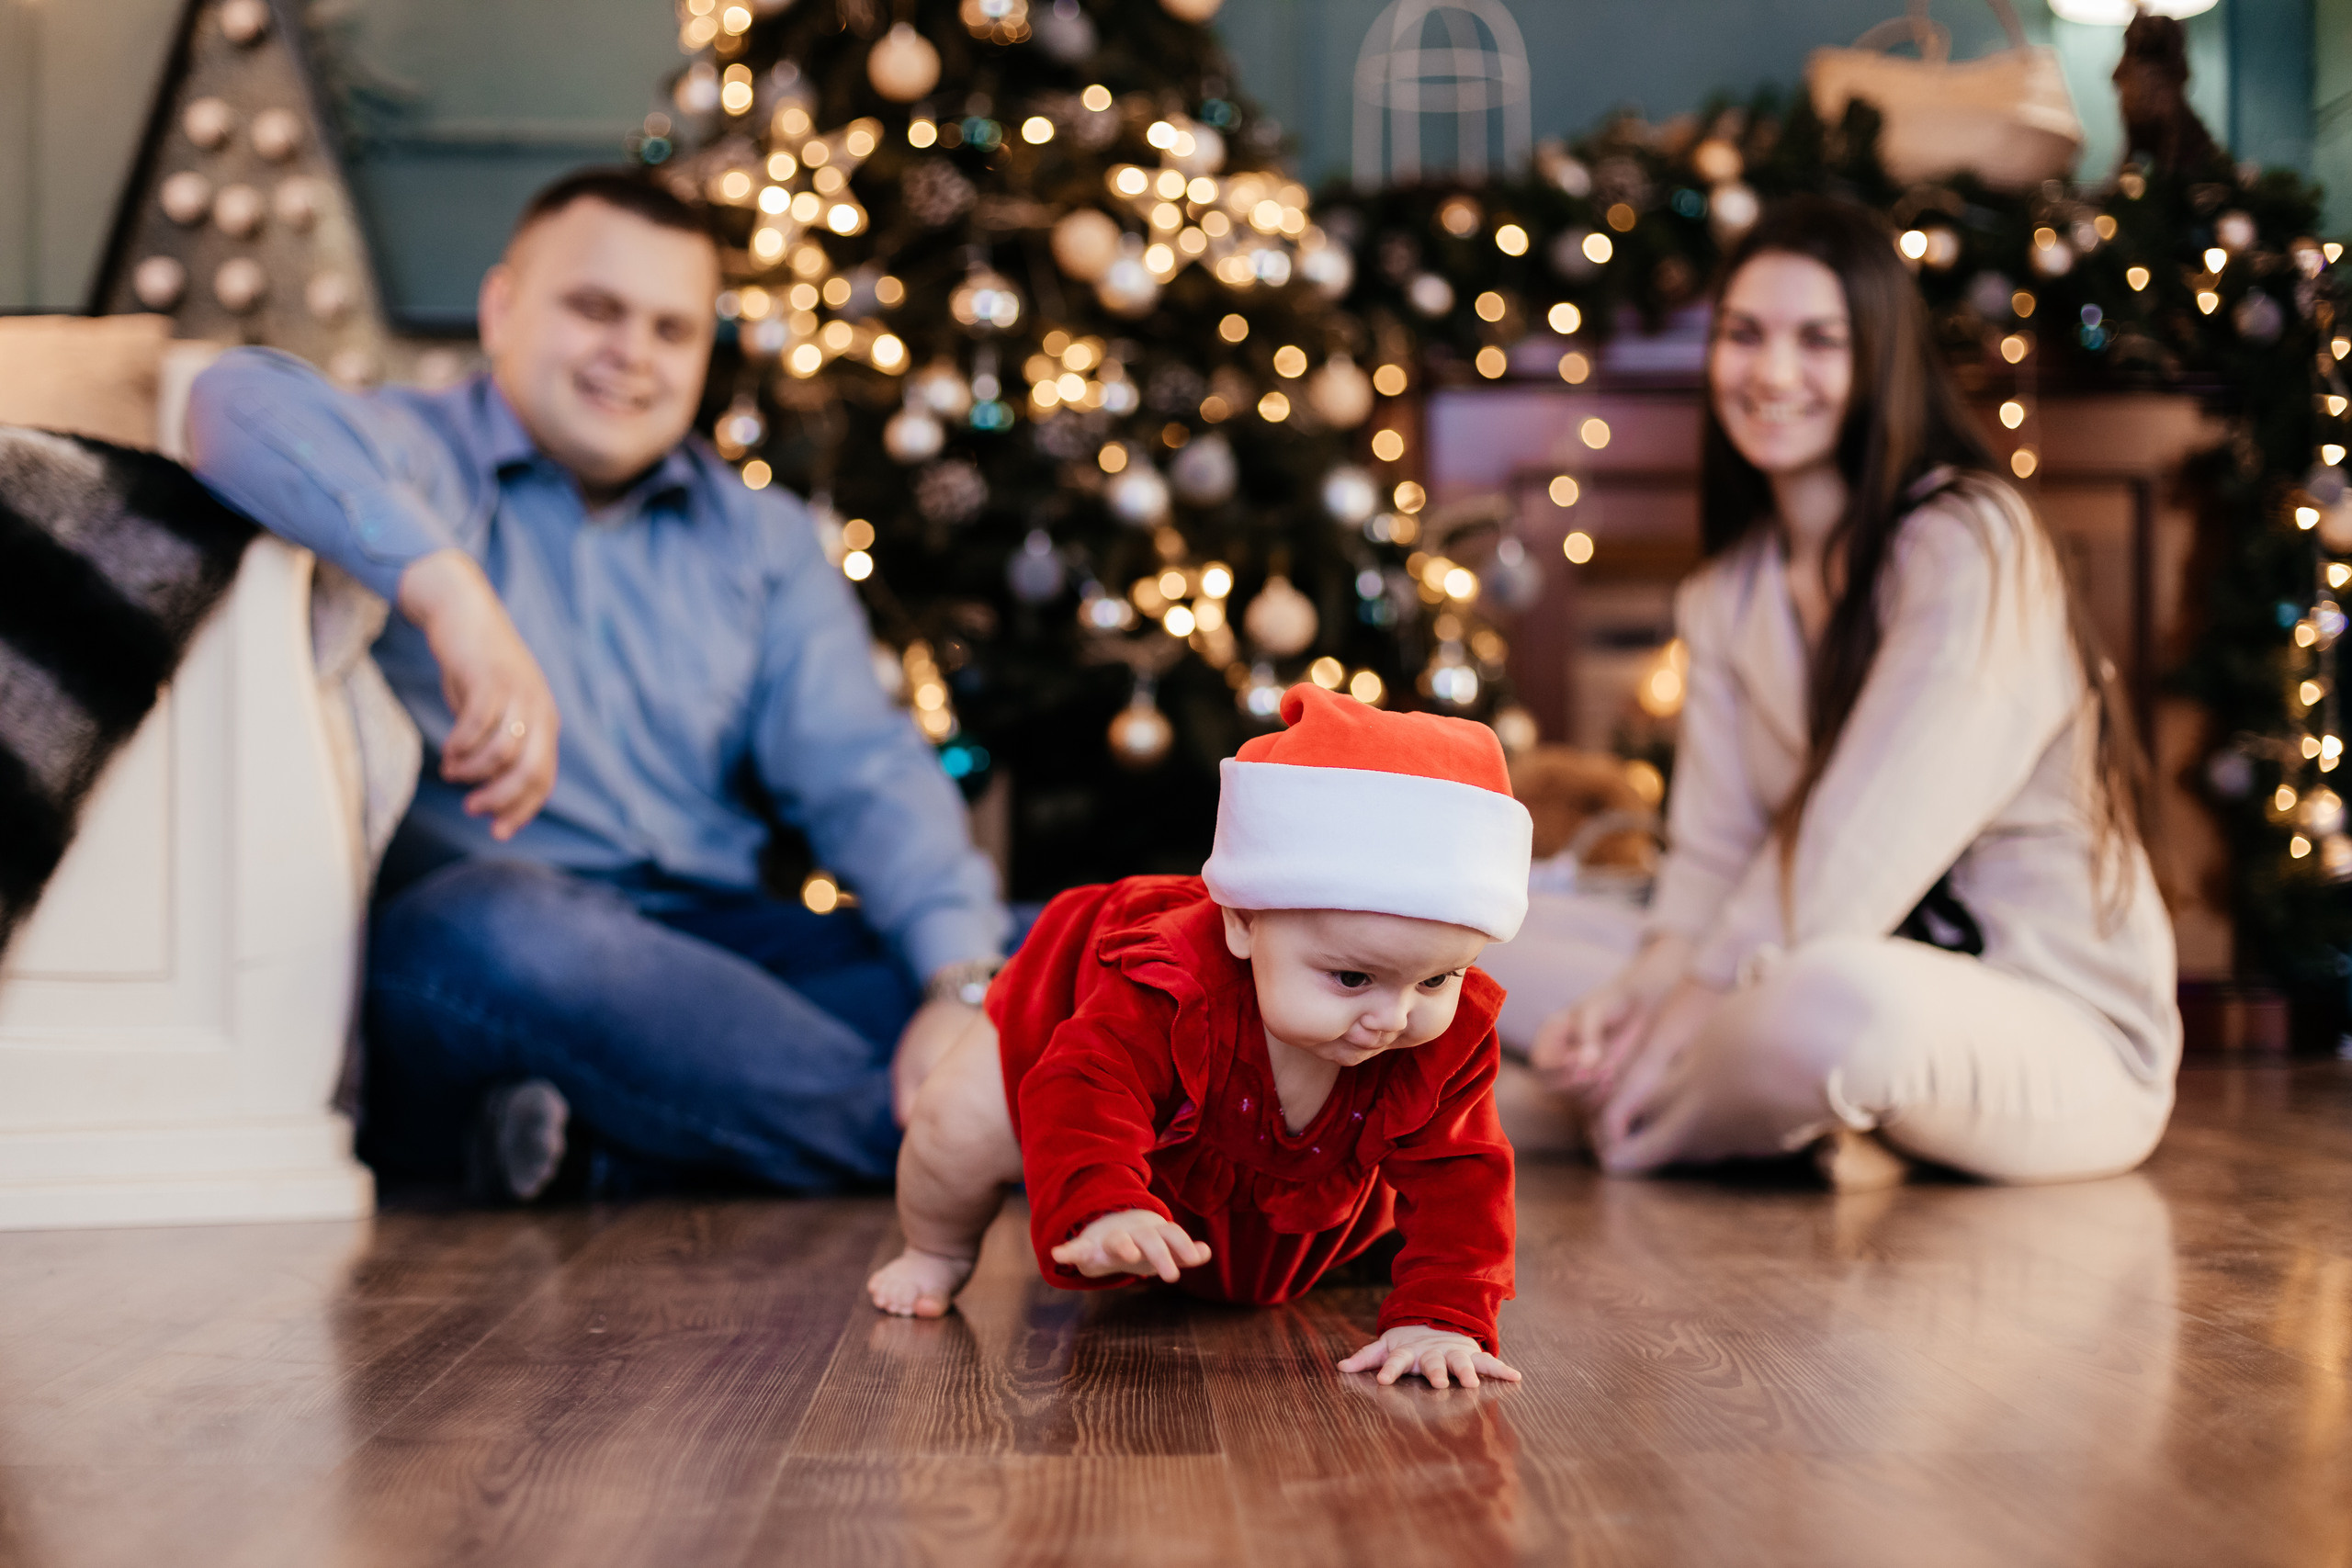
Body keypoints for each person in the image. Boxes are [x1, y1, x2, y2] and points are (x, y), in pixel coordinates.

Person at [187, 169, 1008, 1201]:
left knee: (1069, 941)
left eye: (672, 330)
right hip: (489, 950)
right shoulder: (414, 457)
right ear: (500, 310)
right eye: (594, 309)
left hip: (722, 956)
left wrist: (958, 985)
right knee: (500, 935)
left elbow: (865, 773)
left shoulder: (762, 540)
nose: (632, 354)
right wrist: (449, 594)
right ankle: (982, 1136)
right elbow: (232, 401)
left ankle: (627, 1148)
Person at [1482, 196, 2180, 1188]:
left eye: (1818, 340)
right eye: (1744, 335)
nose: (1772, 374)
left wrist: (1672, 1016)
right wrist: (1635, 994)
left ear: (1878, 359)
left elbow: (1857, 846)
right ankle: (1730, 1112)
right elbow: (1709, 862)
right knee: (1480, 937)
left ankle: (1621, 1114)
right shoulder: (1726, 594)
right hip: (1777, 968)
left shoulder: (1974, 543)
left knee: (1829, 1006)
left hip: (2042, 1020)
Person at [866, 685, 1532, 1390]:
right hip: (1096, 1095)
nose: (1393, 1017)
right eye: (1351, 976)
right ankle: (936, 1250)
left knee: (1410, 1173)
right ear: (1242, 922)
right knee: (957, 1125)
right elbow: (1088, 1084)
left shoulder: (1436, 1036)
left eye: (1437, 978)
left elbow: (1467, 1178)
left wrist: (1442, 1316)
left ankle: (1319, 1249)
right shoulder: (1171, 983)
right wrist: (1105, 1201)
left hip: (1277, 1178)